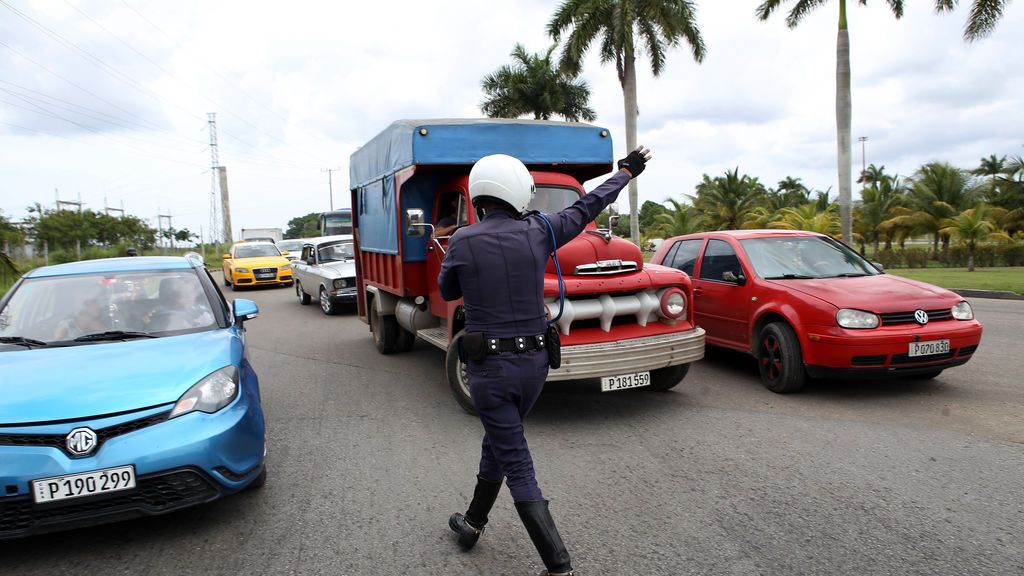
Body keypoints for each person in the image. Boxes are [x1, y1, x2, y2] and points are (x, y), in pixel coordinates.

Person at [439, 147, 652, 575]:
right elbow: (589, 204)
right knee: (501, 443)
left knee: (515, 458)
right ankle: (473, 523)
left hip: (489, 372)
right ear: (520, 193)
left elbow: (446, 292)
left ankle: (559, 565)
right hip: (536, 366)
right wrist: (625, 172)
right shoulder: (541, 231)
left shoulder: (462, 240)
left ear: (480, 198)